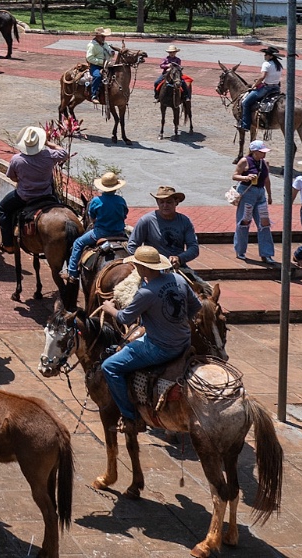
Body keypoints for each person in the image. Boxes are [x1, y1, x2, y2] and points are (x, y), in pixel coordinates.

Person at [100, 245, 202, 427]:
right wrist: (175, 323)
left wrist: (109, 308)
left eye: (138, 265)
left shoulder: (146, 293)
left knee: (110, 366)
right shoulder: (179, 279)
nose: (136, 268)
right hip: (184, 341)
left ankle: (130, 415)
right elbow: (196, 306)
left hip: (159, 348)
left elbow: (125, 317)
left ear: (145, 268)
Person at [0, 125, 64, 254]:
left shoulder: (17, 159)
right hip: (47, 194)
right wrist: (48, 143)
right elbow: (64, 152)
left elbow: (12, 177)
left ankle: (8, 244)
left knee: (2, 209)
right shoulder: (49, 155)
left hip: (24, 196)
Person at [65, 171, 130, 279]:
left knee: (78, 243)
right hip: (120, 233)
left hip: (100, 233)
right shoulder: (121, 200)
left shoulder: (96, 200)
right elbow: (125, 214)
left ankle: (72, 272)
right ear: (116, 187)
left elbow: (92, 216)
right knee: (133, 249)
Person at [128, 186, 201, 270]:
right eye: (161, 202)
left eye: (169, 202)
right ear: (157, 203)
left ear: (176, 202)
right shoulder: (147, 221)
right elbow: (132, 246)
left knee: (196, 282)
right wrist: (145, 263)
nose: (165, 205)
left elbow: (193, 248)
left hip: (177, 266)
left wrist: (179, 258)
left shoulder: (184, 221)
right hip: (153, 268)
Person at [233, 140, 276, 264]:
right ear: (254, 151)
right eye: (261, 152)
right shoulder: (244, 161)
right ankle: (240, 251)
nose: (264, 154)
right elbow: (235, 175)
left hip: (260, 194)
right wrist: (246, 177)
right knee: (244, 222)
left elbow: (267, 180)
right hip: (247, 193)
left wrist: (269, 195)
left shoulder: (264, 163)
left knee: (264, 223)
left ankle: (266, 253)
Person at [241, 46, 284, 130]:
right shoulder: (279, 65)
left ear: (271, 56)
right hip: (276, 88)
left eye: (266, 54)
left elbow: (262, 77)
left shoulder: (266, 64)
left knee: (245, 102)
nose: (264, 55)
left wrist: (254, 85)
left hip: (267, 88)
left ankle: (245, 125)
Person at [85, 28, 111, 102]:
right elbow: (89, 58)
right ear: (97, 36)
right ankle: (94, 95)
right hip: (95, 66)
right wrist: (101, 62)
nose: (104, 38)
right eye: (102, 36)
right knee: (97, 76)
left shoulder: (105, 44)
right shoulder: (92, 45)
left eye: (104, 36)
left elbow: (109, 50)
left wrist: (111, 53)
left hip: (106, 65)